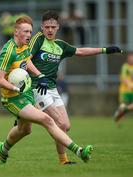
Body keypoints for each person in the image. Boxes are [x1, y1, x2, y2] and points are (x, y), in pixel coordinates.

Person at [0, 15, 93, 164]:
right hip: (13, 98)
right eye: (25, 31)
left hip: (26, 93)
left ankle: (4, 149)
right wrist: (15, 87)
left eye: (30, 32)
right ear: (15, 32)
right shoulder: (8, 52)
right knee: (47, 120)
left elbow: (27, 61)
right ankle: (79, 152)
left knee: (25, 130)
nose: (28, 35)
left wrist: (39, 75)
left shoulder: (24, 47)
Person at [28, 10, 123, 165]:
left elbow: (80, 51)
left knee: (65, 125)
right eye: (47, 27)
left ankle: (14, 139)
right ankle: (73, 155)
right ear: (42, 27)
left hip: (52, 88)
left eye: (53, 27)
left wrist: (105, 50)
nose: (50, 30)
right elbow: (27, 59)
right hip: (38, 87)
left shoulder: (61, 46)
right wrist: (40, 77)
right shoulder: (37, 40)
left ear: (58, 27)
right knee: (57, 122)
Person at [114, 52, 133, 124]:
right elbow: (123, 77)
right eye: (130, 57)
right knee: (123, 104)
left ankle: (125, 110)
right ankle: (118, 121)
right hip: (125, 90)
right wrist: (129, 84)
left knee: (125, 107)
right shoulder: (125, 67)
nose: (131, 59)